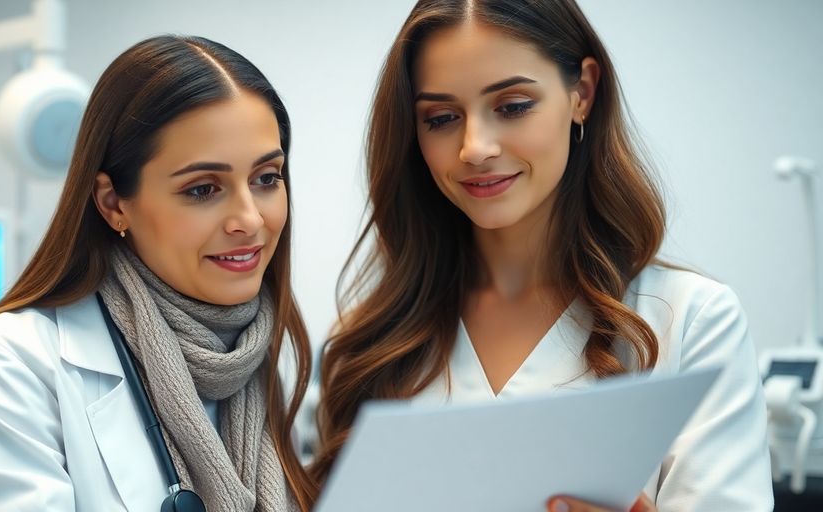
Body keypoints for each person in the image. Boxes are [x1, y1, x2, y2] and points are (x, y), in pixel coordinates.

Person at [310, 1, 772, 511]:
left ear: (583, 93)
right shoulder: (366, 345)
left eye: (511, 106)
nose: (475, 147)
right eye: (441, 118)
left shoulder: (692, 321)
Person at [0, 35, 316, 512]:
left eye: (266, 179)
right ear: (113, 203)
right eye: (202, 189)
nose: (251, 219)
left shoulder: (253, 359)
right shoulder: (2, 366)